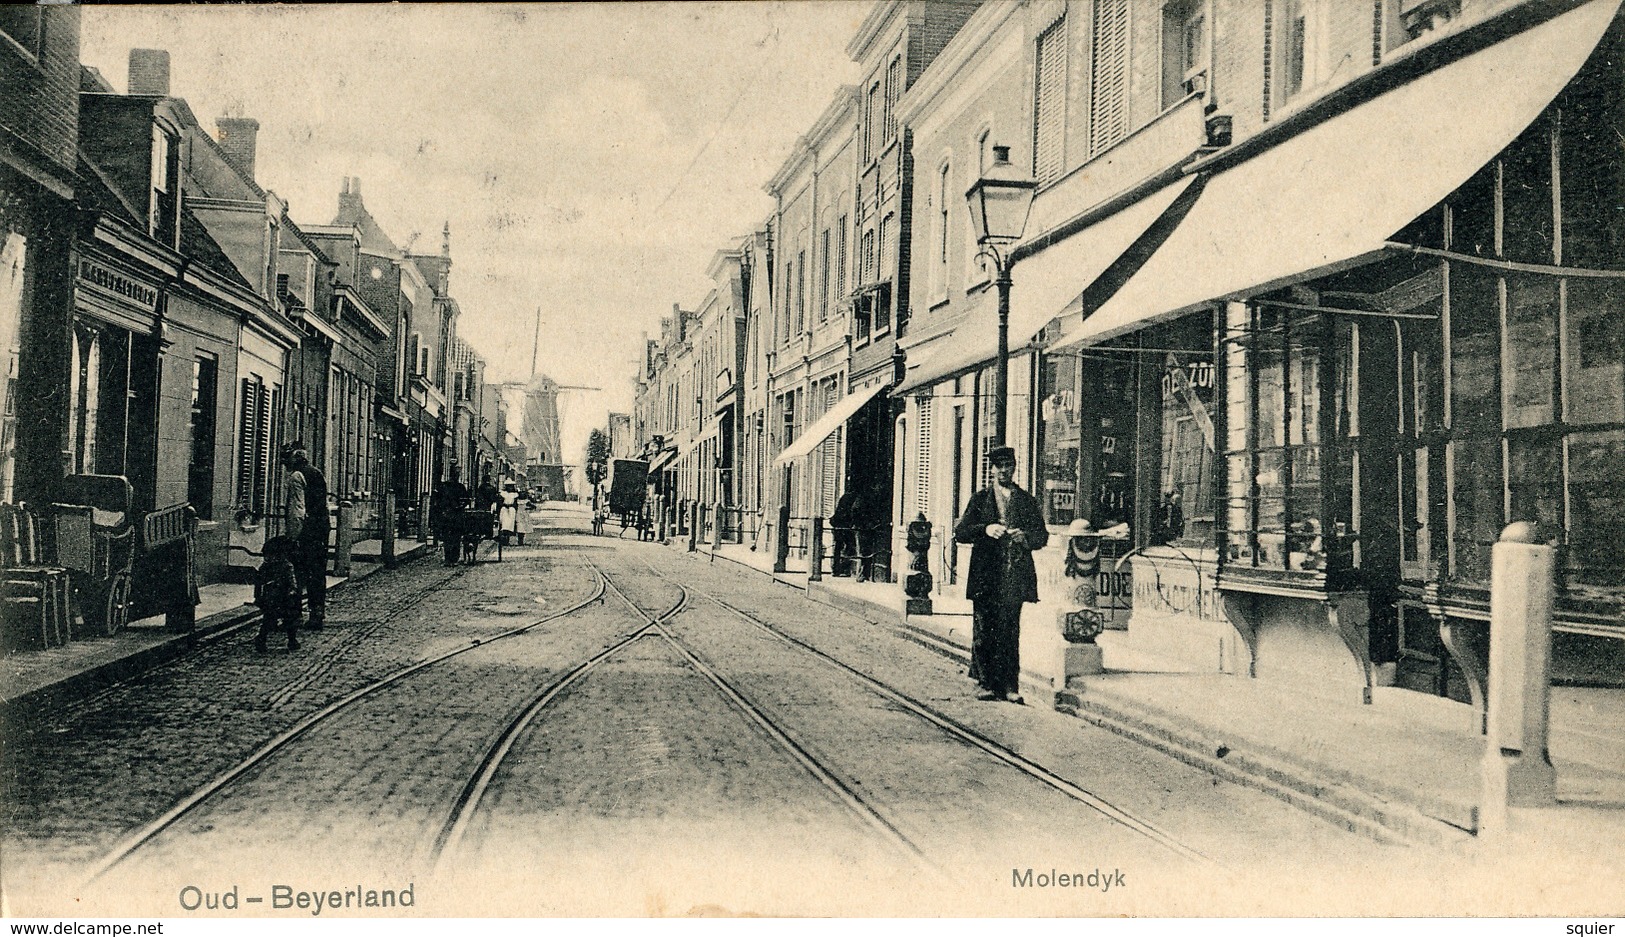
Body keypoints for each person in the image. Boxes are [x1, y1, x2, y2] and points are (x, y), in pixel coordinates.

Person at [953, 446, 1049, 703]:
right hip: (986, 574)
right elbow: (961, 531)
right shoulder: (980, 499)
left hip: (1013, 574)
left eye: (1009, 465)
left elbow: (1042, 536)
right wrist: (986, 528)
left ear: (1015, 467)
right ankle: (986, 683)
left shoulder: (1027, 501)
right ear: (992, 470)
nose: (1004, 470)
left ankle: (1009, 685)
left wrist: (1025, 537)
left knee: (1009, 629)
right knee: (984, 630)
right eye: (1000, 466)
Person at [280, 441, 330, 629]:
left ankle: (294, 616)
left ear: (293, 459)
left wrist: (292, 537)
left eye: (286, 460)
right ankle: (317, 614)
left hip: (305, 532)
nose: (284, 465)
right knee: (317, 573)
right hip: (321, 529)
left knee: (297, 574)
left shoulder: (296, 477)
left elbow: (297, 510)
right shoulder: (317, 473)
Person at [253, 535, 301, 653]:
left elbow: (291, 581)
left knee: (285, 620)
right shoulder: (269, 567)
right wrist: (258, 596)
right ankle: (262, 639)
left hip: (283, 597)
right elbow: (259, 582)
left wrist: (292, 591)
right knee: (272, 620)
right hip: (275, 598)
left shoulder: (284, 566)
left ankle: (291, 640)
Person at [430, 469, 471, 566]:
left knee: (447, 538)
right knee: (455, 538)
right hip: (456, 516)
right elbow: (466, 500)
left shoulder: (444, 486)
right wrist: (460, 507)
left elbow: (438, 501)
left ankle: (448, 559)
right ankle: (453, 559)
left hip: (446, 515)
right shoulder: (460, 487)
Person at [829, 488, 859, 577]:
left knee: (838, 547)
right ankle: (843, 569)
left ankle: (836, 569)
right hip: (844, 526)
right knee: (848, 547)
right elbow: (853, 512)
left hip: (838, 525)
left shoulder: (845, 497)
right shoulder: (854, 498)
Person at [498, 480, 531, 546]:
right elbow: (499, 502)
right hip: (504, 510)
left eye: (511, 486)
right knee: (504, 524)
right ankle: (505, 540)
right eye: (508, 486)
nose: (510, 487)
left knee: (511, 524)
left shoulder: (515, 494)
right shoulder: (503, 493)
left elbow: (519, 502)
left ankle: (511, 537)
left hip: (512, 510)